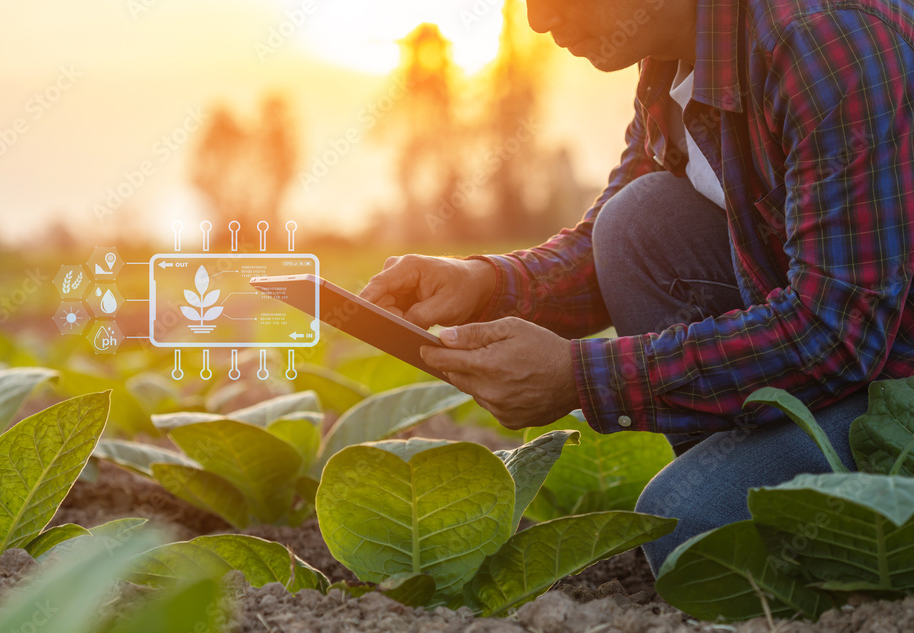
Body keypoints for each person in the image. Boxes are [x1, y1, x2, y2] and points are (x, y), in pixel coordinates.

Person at [359, 0, 914, 574]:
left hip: (896, 377)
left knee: (690, 529)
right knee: (634, 219)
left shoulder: (826, 39)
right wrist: (484, 281)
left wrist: (581, 378)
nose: (540, 21)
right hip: (851, 360)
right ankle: (764, 462)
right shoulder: (672, 57)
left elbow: (837, 330)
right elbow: (607, 246)